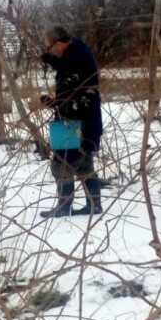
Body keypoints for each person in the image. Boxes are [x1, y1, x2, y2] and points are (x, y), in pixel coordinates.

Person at [39, 26, 103, 218]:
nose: (50, 52)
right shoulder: (77, 49)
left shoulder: (74, 58)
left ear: (58, 43)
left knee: (60, 164)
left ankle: (64, 207)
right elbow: (70, 74)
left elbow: (73, 92)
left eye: (50, 48)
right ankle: (94, 205)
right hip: (87, 120)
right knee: (84, 166)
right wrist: (55, 103)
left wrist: (55, 105)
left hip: (77, 123)